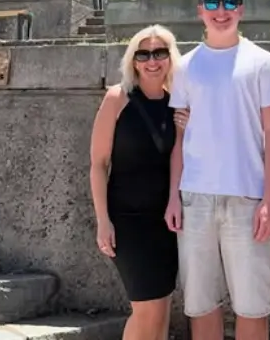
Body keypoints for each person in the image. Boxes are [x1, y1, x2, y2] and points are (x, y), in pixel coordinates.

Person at [164, 0, 270, 340]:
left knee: (252, 306)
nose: (221, 11)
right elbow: (180, 138)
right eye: (213, 3)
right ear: (200, 10)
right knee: (200, 305)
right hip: (195, 198)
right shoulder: (184, 65)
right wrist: (173, 196)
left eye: (229, 2)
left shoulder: (262, 62)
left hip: (248, 199)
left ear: (241, 9)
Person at [89, 25, 188, 340]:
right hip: (128, 221)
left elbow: (177, 156)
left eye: (160, 53)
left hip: (164, 220)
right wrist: (103, 221)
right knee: (146, 310)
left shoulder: (177, 103)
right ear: (133, 60)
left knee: (161, 309)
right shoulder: (118, 98)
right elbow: (98, 164)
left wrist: (185, 130)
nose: (152, 61)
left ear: (171, 58)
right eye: (143, 54)